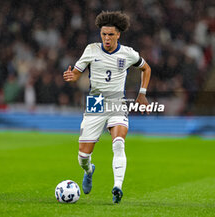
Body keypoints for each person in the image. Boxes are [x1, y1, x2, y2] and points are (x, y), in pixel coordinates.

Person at [63, 11, 151, 204]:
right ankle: (89, 170)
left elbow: (146, 68)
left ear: (118, 35)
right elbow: (77, 73)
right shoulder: (91, 50)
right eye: (103, 34)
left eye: (111, 34)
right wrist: (72, 77)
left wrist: (142, 93)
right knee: (83, 156)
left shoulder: (128, 53)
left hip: (117, 102)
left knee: (118, 143)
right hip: (95, 103)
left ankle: (117, 187)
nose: (107, 38)